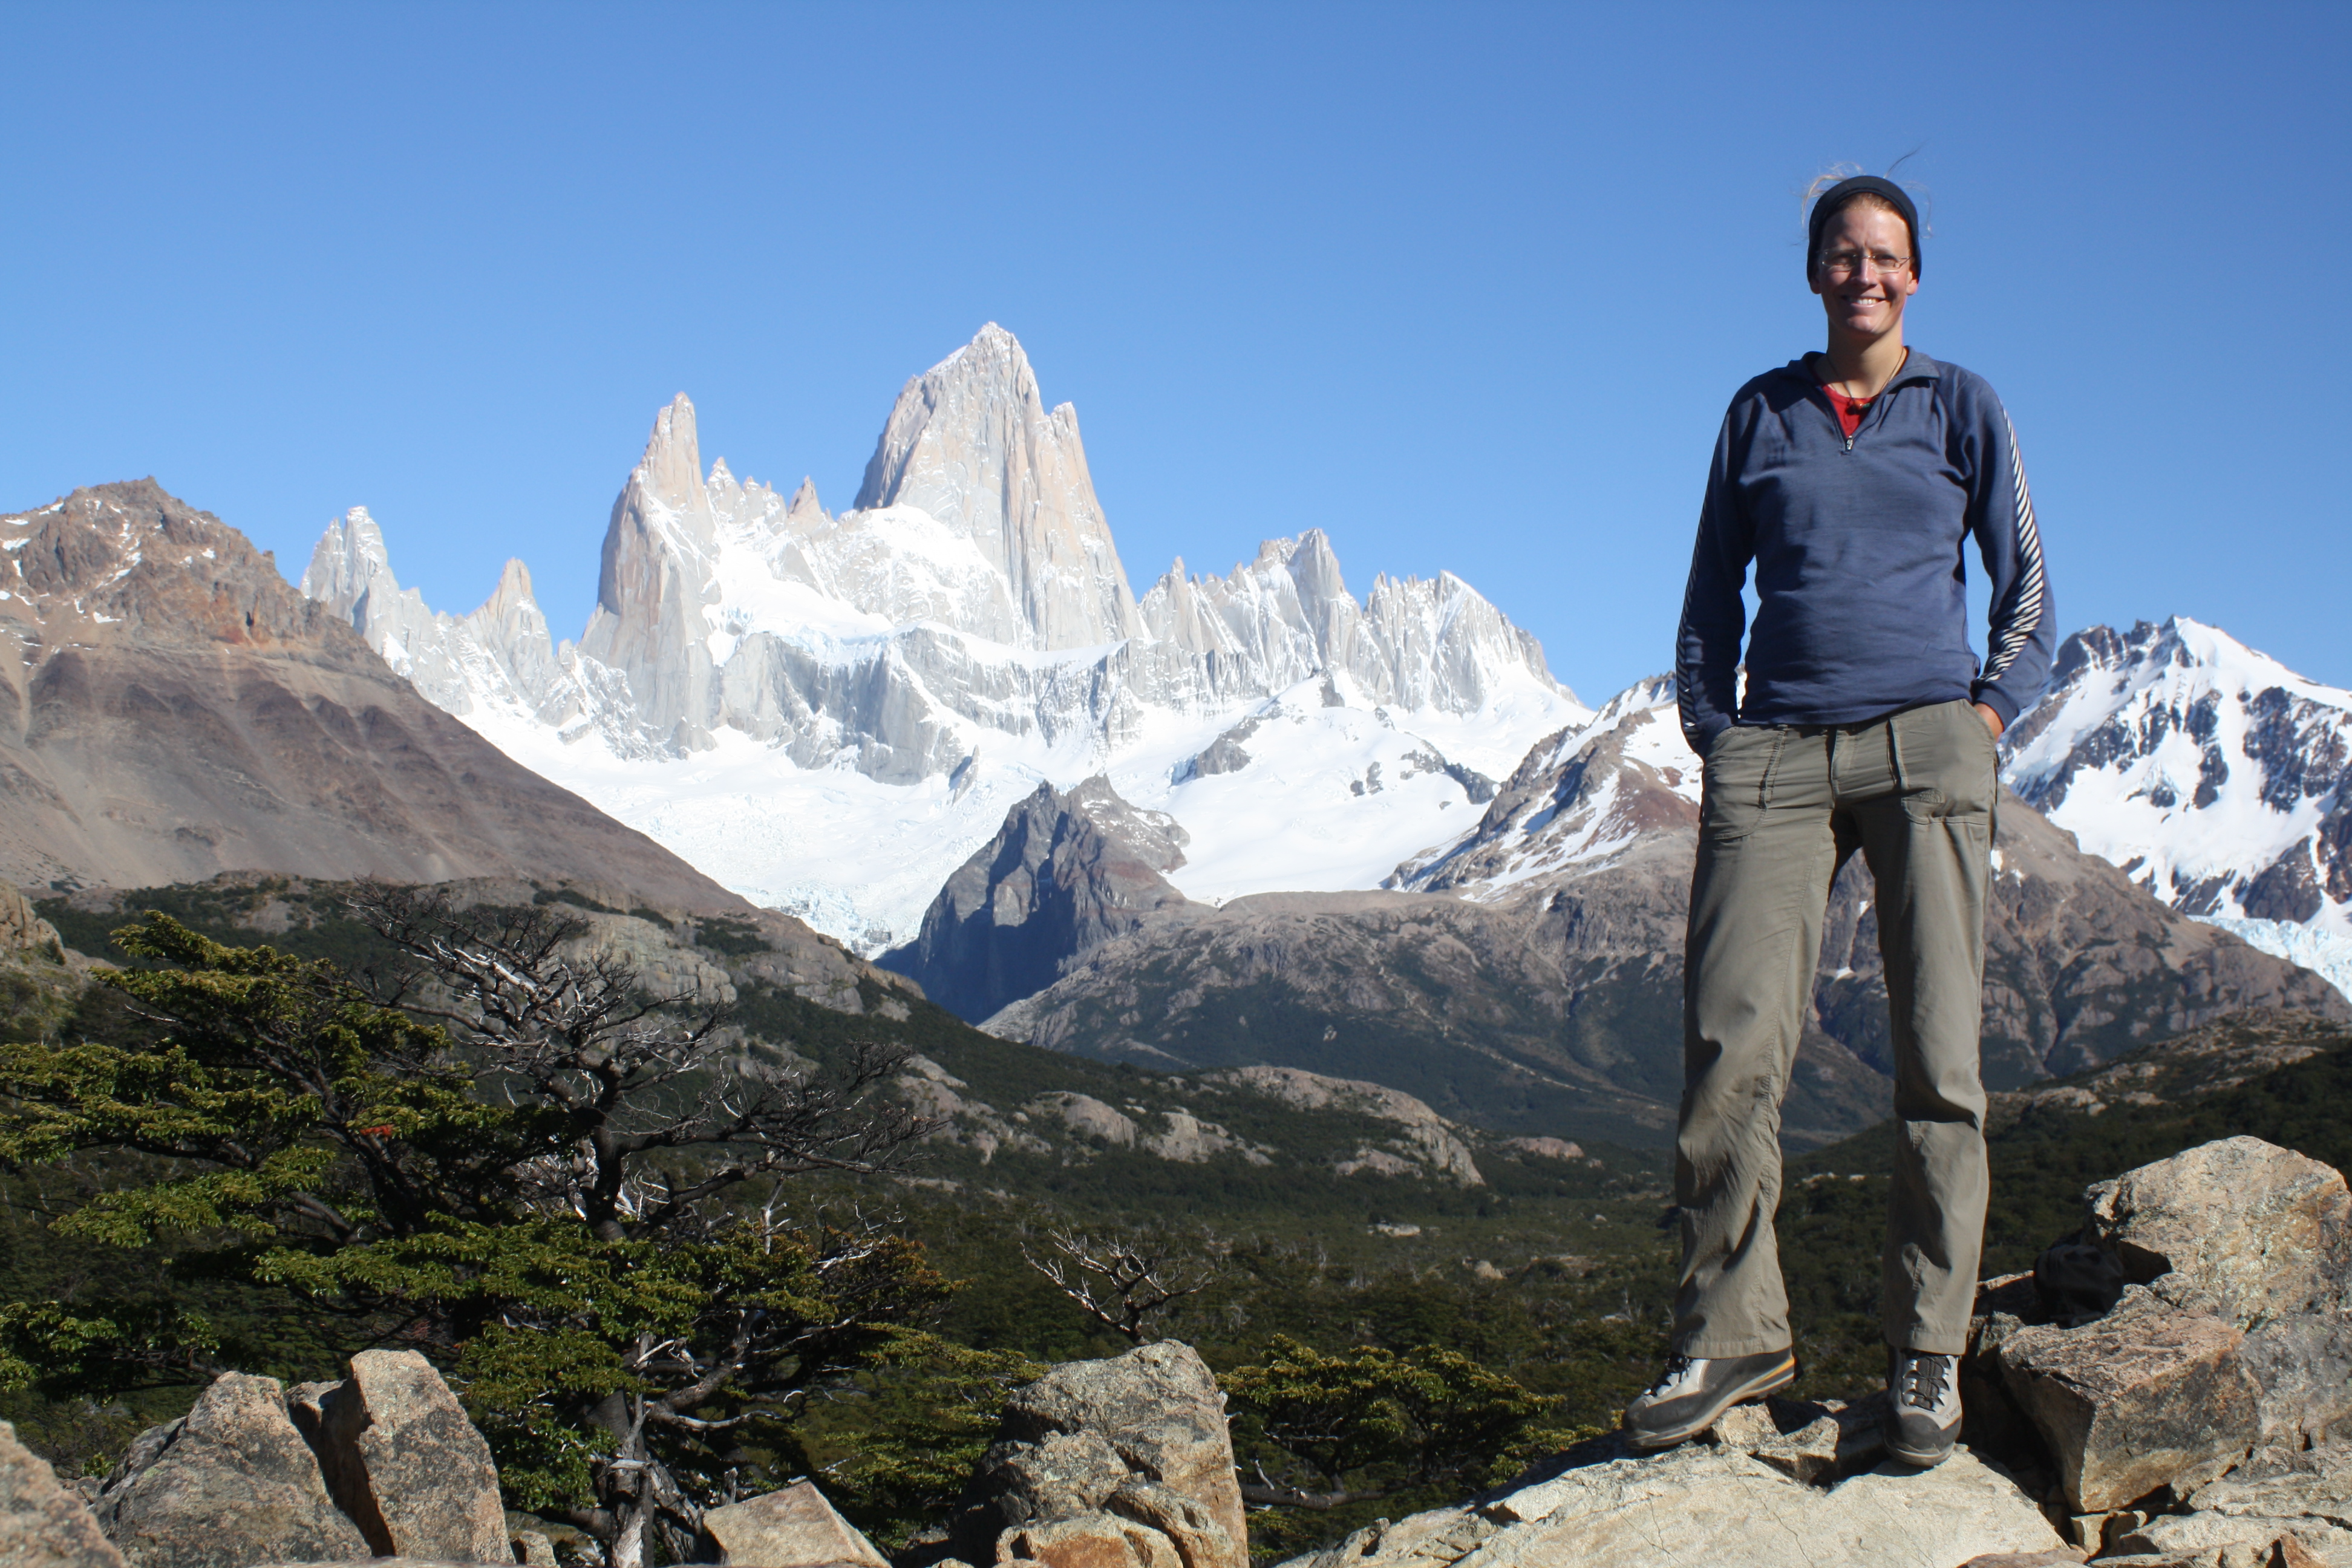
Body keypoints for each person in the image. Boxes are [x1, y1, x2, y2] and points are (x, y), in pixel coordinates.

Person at [1627, 174, 2056, 1466]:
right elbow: (1712, 593)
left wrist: (1984, 720)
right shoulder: (1758, 413)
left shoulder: (1964, 406)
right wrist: (1716, 728)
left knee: (1940, 1064)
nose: (1864, 273)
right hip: (1777, 751)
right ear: (1814, 271)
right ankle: (1732, 1330)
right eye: (1842, 254)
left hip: (1928, 742)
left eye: (1885, 256)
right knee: (1731, 1045)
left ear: (1914, 275)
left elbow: (2027, 586)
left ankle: (1929, 1356)